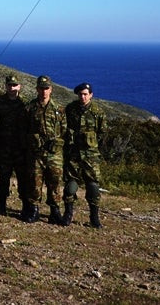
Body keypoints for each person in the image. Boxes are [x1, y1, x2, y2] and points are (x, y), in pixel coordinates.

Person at [62, 82, 105, 228]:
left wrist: (93, 147)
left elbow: (102, 133)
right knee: (70, 185)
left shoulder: (98, 112)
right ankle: (68, 214)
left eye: (85, 94)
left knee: (92, 186)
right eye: (80, 94)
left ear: (91, 95)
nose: (83, 97)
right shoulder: (70, 109)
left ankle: (94, 217)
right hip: (73, 154)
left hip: (91, 155)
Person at [25, 75, 66, 224]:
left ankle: (55, 211)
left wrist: (58, 142)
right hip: (36, 153)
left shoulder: (59, 109)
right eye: (41, 88)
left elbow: (64, 130)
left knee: (54, 182)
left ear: (51, 90)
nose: (44, 91)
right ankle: (34, 210)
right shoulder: (30, 108)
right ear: (37, 89)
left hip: (54, 154)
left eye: (46, 88)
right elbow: (23, 129)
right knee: (35, 182)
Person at [0, 73, 30, 217]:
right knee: (3, 178)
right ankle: (1, 205)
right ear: (6, 86)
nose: (12, 88)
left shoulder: (25, 104)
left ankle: (26, 207)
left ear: (19, 86)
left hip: (21, 148)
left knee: (23, 179)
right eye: (9, 85)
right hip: (4, 147)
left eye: (15, 85)